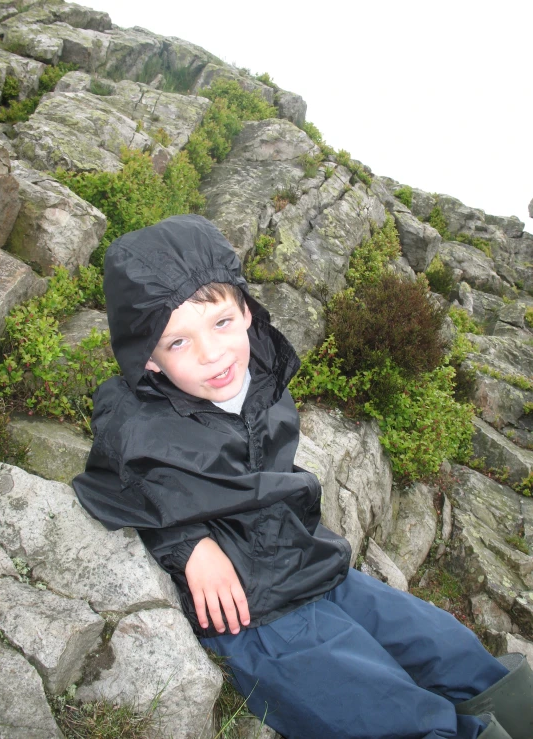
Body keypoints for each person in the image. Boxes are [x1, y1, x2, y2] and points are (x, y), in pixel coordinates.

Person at [73, 215, 532, 739]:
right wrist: (188, 545)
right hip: (255, 614)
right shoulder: (135, 419)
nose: (211, 354)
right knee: (388, 711)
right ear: (149, 360)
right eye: (176, 342)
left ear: (245, 311)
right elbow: (112, 483)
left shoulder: (264, 380)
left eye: (221, 323)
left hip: (315, 566)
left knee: (447, 647)